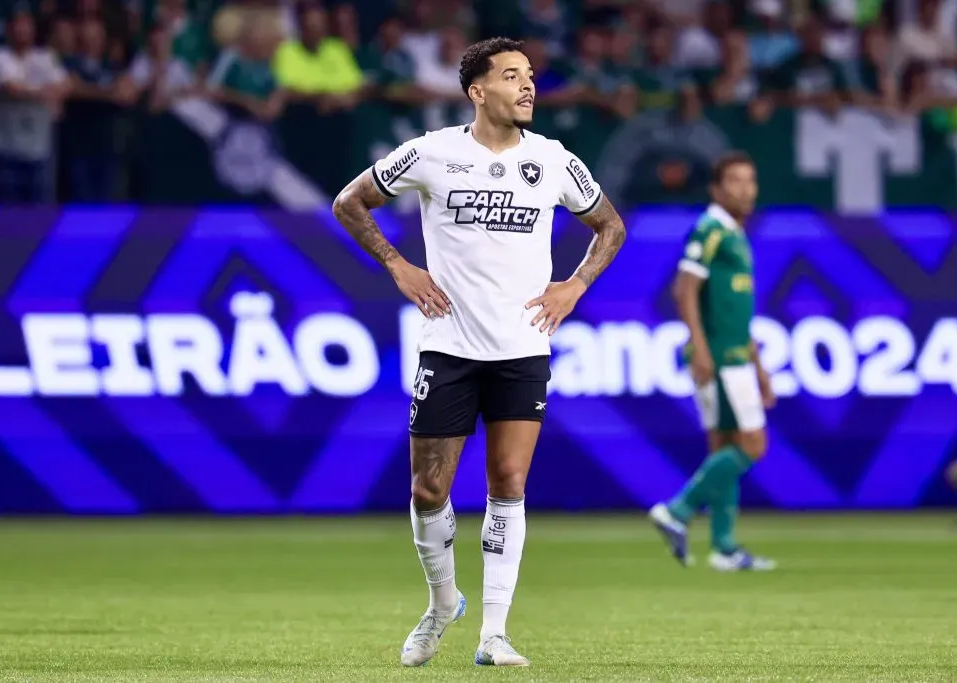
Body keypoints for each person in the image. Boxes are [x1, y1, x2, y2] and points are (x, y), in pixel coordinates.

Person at [331, 37, 626, 667]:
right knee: (428, 488)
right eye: (512, 76)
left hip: (522, 348)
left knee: (508, 482)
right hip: (450, 347)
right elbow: (349, 202)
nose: (527, 87)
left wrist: (575, 285)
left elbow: (610, 226)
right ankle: (442, 604)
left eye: (530, 77)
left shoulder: (552, 160)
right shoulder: (433, 152)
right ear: (478, 91)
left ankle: (494, 634)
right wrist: (397, 265)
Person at [648, 151, 777, 573]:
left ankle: (723, 547)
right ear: (717, 189)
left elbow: (735, 313)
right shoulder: (710, 230)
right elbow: (684, 291)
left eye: (751, 180)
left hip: (738, 356)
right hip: (721, 360)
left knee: (724, 447)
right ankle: (678, 510)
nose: (746, 189)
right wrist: (700, 349)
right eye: (735, 181)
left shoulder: (735, 234)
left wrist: (760, 368)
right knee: (752, 444)